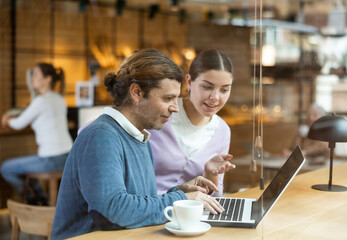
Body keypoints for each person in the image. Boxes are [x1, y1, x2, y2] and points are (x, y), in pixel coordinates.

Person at [51, 48, 224, 240]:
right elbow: (114, 210)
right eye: (168, 98)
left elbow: (138, 203)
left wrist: (179, 192)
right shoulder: (101, 136)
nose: (175, 107)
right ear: (137, 93)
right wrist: (179, 200)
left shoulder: (140, 136)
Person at [149, 49, 236, 197]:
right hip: (150, 212)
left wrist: (210, 173)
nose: (215, 97)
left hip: (191, 215)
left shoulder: (222, 130)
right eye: (207, 87)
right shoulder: (160, 114)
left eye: (224, 90)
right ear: (189, 81)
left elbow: (213, 197)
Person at [0, 63, 73, 205]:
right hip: (67, 157)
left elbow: (18, 124)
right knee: (26, 169)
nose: (32, 78)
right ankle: (42, 200)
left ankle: (32, 201)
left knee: (5, 168)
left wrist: (7, 120)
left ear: (47, 79)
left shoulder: (41, 101)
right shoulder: (59, 99)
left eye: (36, 74)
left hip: (50, 160)